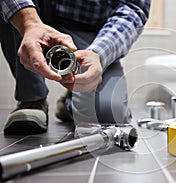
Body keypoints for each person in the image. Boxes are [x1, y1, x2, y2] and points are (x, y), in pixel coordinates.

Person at [0, 0, 150, 134]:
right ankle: (31, 100)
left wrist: (97, 54)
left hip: (93, 33)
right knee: (9, 7)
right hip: (39, 16)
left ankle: (70, 102)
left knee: (109, 112)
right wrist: (28, 23)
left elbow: (133, 8)